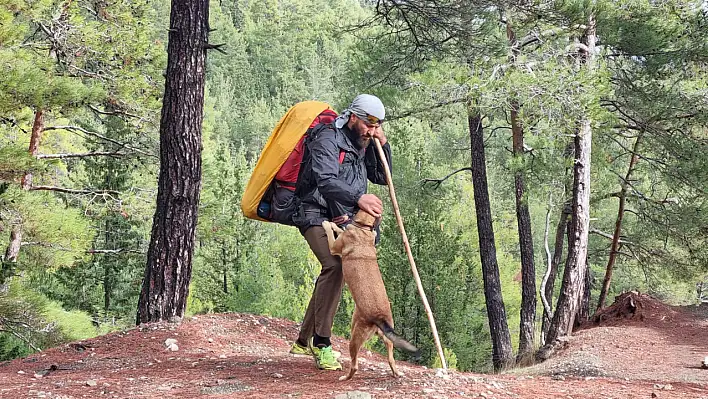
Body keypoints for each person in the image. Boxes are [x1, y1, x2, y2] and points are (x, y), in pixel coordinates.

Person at [289, 94, 391, 371]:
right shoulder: (326, 138)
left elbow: (381, 177)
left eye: (377, 126)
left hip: (342, 216)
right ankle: (322, 343)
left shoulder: (366, 141)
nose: (372, 131)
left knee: (332, 271)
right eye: (369, 125)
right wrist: (359, 199)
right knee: (335, 265)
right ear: (354, 117)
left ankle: (302, 341)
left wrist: (384, 145)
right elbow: (325, 180)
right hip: (312, 211)